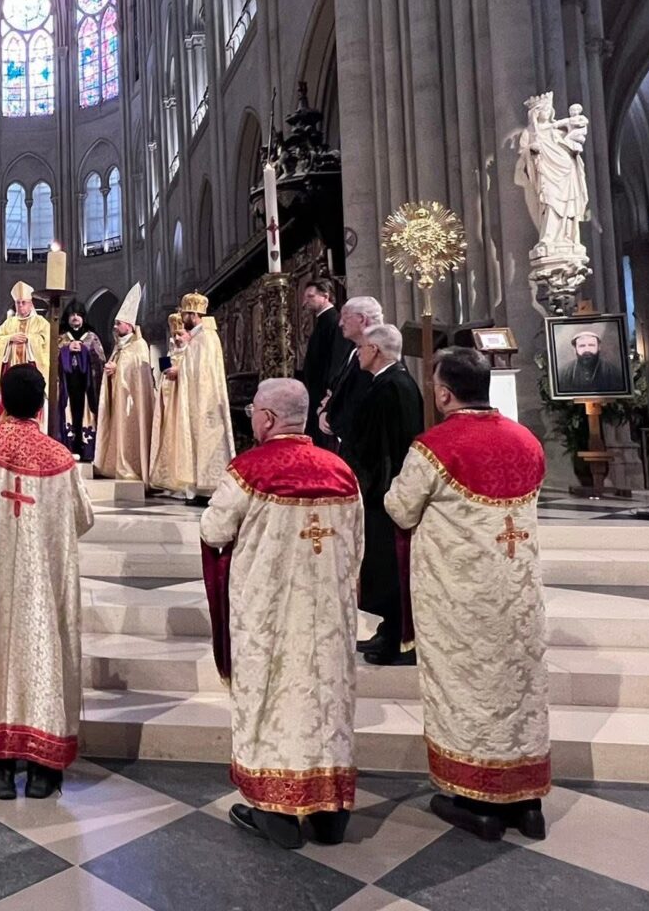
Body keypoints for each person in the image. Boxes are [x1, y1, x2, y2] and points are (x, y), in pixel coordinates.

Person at [386, 348, 550, 842]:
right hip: (519, 595)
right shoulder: (527, 441)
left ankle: (477, 801)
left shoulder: (435, 447)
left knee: (468, 692)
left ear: (443, 393)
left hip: (459, 599)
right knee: (519, 691)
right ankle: (527, 804)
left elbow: (399, 507)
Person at [199, 379, 362, 850]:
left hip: (269, 617)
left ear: (267, 418)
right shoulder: (341, 472)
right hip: (328, 617)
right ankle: (330, 811)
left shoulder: (249, 471)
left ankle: (276, 813)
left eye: (254, 411)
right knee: (326, 705)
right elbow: (357, 545)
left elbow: (213, 530)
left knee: (272, 704)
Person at [0, 364, 94, 800]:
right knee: (43, 658)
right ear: (41, 403)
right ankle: (43, 769)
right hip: (40, 586)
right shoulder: (58, 457)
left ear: (1, 398)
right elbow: (82, 519)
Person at [346, 323, 424, 665]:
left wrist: (369, 484)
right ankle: (389, 630)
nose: (359, 352)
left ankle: (397, 637)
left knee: (387, 564)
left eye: (362, 347)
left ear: (375, 350)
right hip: (383, 486)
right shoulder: (391, 383)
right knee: (380, 564)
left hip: (385, 490)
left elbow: (387, 447)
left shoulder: (392, 387)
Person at [163, 292, 235, 502]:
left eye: (185, 313)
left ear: (193, 314)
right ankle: (197, 487)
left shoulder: (206, 337)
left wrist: (179, 371)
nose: (182, 317)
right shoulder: (194, 338)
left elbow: (203, 372)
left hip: (205, 402)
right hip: (187, 397)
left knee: (204, 441)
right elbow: (186, 366)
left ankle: (207, 488)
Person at [94, 285, 156, 483]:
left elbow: (138, 373)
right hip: (117, 397)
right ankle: (113, 463)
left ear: (128, 326)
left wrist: (117, 370)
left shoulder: (139, 346)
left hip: (131, 402)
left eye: (118, 323)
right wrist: (110, 372)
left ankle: (131, 466)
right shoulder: (119, 346)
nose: (115, 326)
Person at [318, 295, 383, 452]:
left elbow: (363, 399)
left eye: (345, 318)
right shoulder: (354, 350)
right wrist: (326, 410)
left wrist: (331, 416)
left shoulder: (379, 352)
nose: (340, 323)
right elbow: (338, 388)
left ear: (361, 319)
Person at [299, 279, 351, 446]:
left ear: (326, 296)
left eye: (310, 296)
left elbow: (337, 360)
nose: (305, 302)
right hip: (317, 394)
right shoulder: (323, 321)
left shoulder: (334, 322)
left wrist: (329, 396)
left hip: (324, 396)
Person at [0, 281, 51, 428]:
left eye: (24, 302)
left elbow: (48, 342)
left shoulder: (41, 322)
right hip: (12, 371)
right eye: (18, 303)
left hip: (32, 373)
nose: (20, 306)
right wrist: (9, 339)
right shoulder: (8, 323)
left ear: (31, 304)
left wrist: (30, 339)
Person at [149, 311, 193, 497]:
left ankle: (182, 482)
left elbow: (195, 373)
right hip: (168, 403)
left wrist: (180, 371)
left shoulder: (193, 353)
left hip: (183, 404)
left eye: (180, 334)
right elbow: (163, 372)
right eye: (174, 334)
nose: (177, 338)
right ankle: (167, 478)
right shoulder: (170, 351)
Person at [55, 300, 106, 461]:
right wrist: (66, 350)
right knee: (68, 413)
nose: (75, 318)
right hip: (67, 385)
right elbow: (52, 359)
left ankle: (85, 449)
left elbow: (101, 360)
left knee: (85, 414)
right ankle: (68, 447)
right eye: (72, 315)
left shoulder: (92, 337)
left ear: (83, 317)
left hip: (86, 386)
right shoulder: (61, 337)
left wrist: (85, 350)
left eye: (78, 315)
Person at [557, 328, 626, 394]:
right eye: (582, 346)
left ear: (599, 348)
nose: (587, 349)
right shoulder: (564, 373)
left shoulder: (612, 372)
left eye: (591, 345)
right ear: (575, 350)